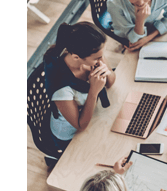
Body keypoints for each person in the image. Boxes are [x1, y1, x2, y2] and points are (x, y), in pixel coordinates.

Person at [42, 22, 116, 166]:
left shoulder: (92, 54)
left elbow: (110, 82)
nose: (101, 60)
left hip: (90, 113)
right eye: (98, 58)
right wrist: (93, 91)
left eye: (102, 55)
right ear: (76, 57)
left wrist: (105, 69)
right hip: (70, 133)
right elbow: (80, 125)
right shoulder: (62, 88)